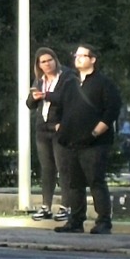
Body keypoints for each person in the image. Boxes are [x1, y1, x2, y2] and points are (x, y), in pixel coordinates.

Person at [52, 43, 122, 233]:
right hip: (71, 142)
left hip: (95, 143)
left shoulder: (104, 83)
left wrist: (95, 132)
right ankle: (76, 221)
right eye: (76, 55)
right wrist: (60, 128)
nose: (78, 59)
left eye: (82, 55)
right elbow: (58, 107)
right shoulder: (70, 84)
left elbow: (111, 110)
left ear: (93, 59)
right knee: (74, 183)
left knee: (96, 181)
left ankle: (103, 221)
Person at [27, 46, 69, 221]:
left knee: (63, 167)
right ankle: (46, 206)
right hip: (42, 128)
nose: (47, 64)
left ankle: (66, 206)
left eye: (49, 60)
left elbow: (68, 99)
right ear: (38, 65)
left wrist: (47, 95)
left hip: (59, 127)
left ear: (55, 60)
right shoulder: (39, 80)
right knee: (47, 168)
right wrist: (34, 97)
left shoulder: (66, 77)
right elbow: (30, 104)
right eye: (43, 62)